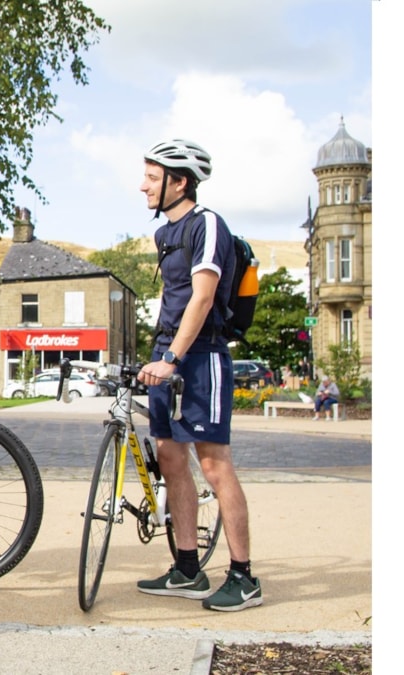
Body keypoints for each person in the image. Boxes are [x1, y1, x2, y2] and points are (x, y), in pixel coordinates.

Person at [135, 139, 262, 611]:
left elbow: (203, 298)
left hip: (201, 354)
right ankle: (188, 568)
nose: (143, 185)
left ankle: (244, 577)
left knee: (214, 462)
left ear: (178, 181)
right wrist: (158, 356)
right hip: (168, 352)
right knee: (169, 455)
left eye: (151, 177)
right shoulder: (165, 235)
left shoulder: (206, 224)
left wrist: (172, 357)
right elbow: (172, 300)